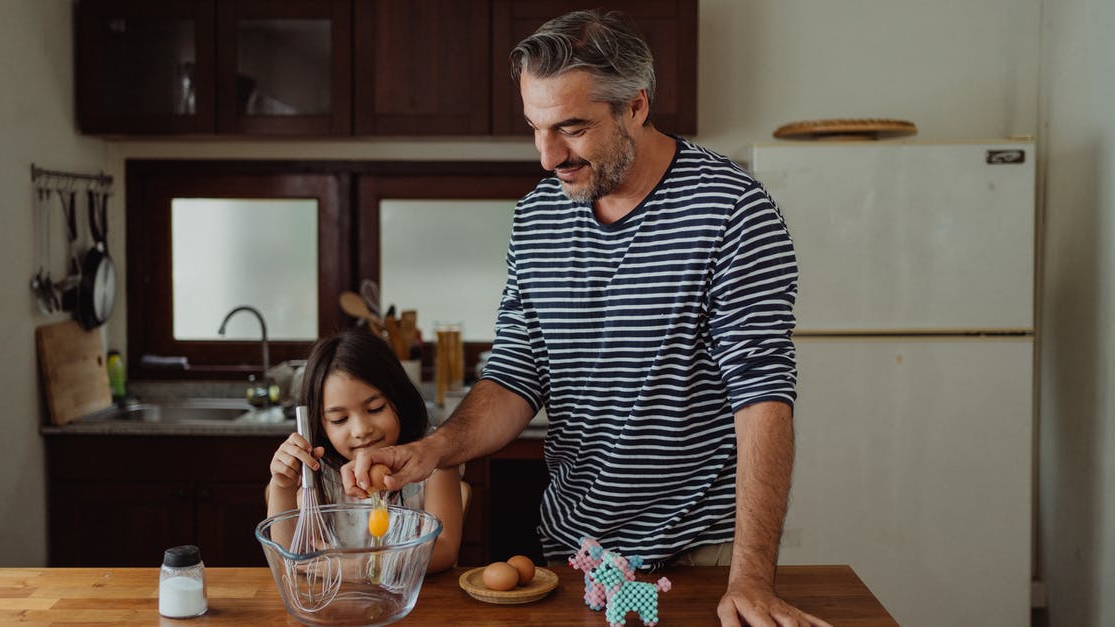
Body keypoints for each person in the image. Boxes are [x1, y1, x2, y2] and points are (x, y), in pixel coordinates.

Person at [343, 9, 828, 625]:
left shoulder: (731, 211)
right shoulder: (538, 217)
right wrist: (434, 449)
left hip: (701, 561)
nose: (548, 157)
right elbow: (517, 374)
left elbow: (762, 397)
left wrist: (752, 578)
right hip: (575, 558)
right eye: (535, 127)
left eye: (571, 128)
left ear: (636, 106)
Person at [267, 330, 463, 574]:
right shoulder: (320, 471)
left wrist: (365, 569)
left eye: (375, 408)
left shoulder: (433, 457)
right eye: (339, 419)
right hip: (341, 607)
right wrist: (282, 486)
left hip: (416, 605)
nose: (361, 430)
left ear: (399, 397)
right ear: (321, 425)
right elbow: (293, 557)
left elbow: (444, 550)